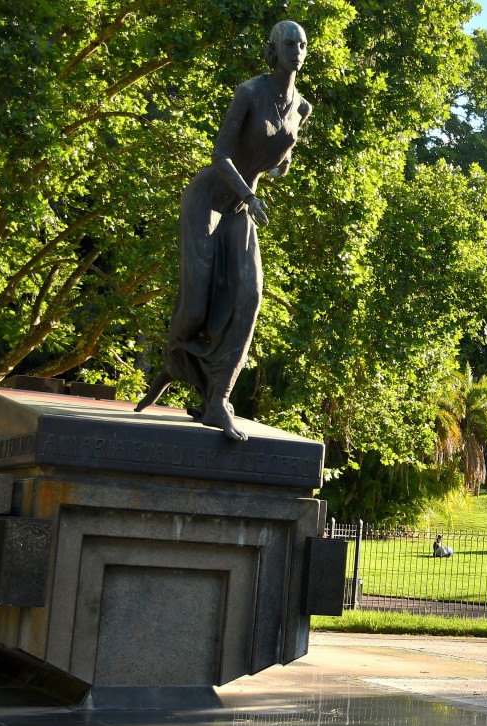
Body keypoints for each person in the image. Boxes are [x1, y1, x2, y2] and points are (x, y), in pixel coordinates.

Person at [136, 21, 313, 441]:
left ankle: (218, 398)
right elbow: (220, 155)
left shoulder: (301, 107)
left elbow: (280, 155)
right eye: (289, 43)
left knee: (250, 296)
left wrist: (280, 164)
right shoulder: (249, 93)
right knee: (196, 305)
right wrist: (250, 196)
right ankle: (173, 363)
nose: (298, 50)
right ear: (273, 49)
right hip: (210, 199)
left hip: (241, 206)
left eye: (303, 44)